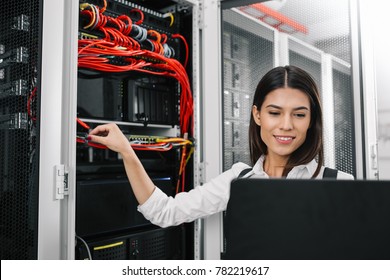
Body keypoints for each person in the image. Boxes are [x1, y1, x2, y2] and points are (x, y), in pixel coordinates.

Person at [87, 65, 354, 228]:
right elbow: (164, 212)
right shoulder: (238, 180)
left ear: (311, 121)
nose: (286, 125)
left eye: (299, 114)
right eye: (275, 113)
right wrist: (126, 150)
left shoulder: (339, 184)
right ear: (257, 115)